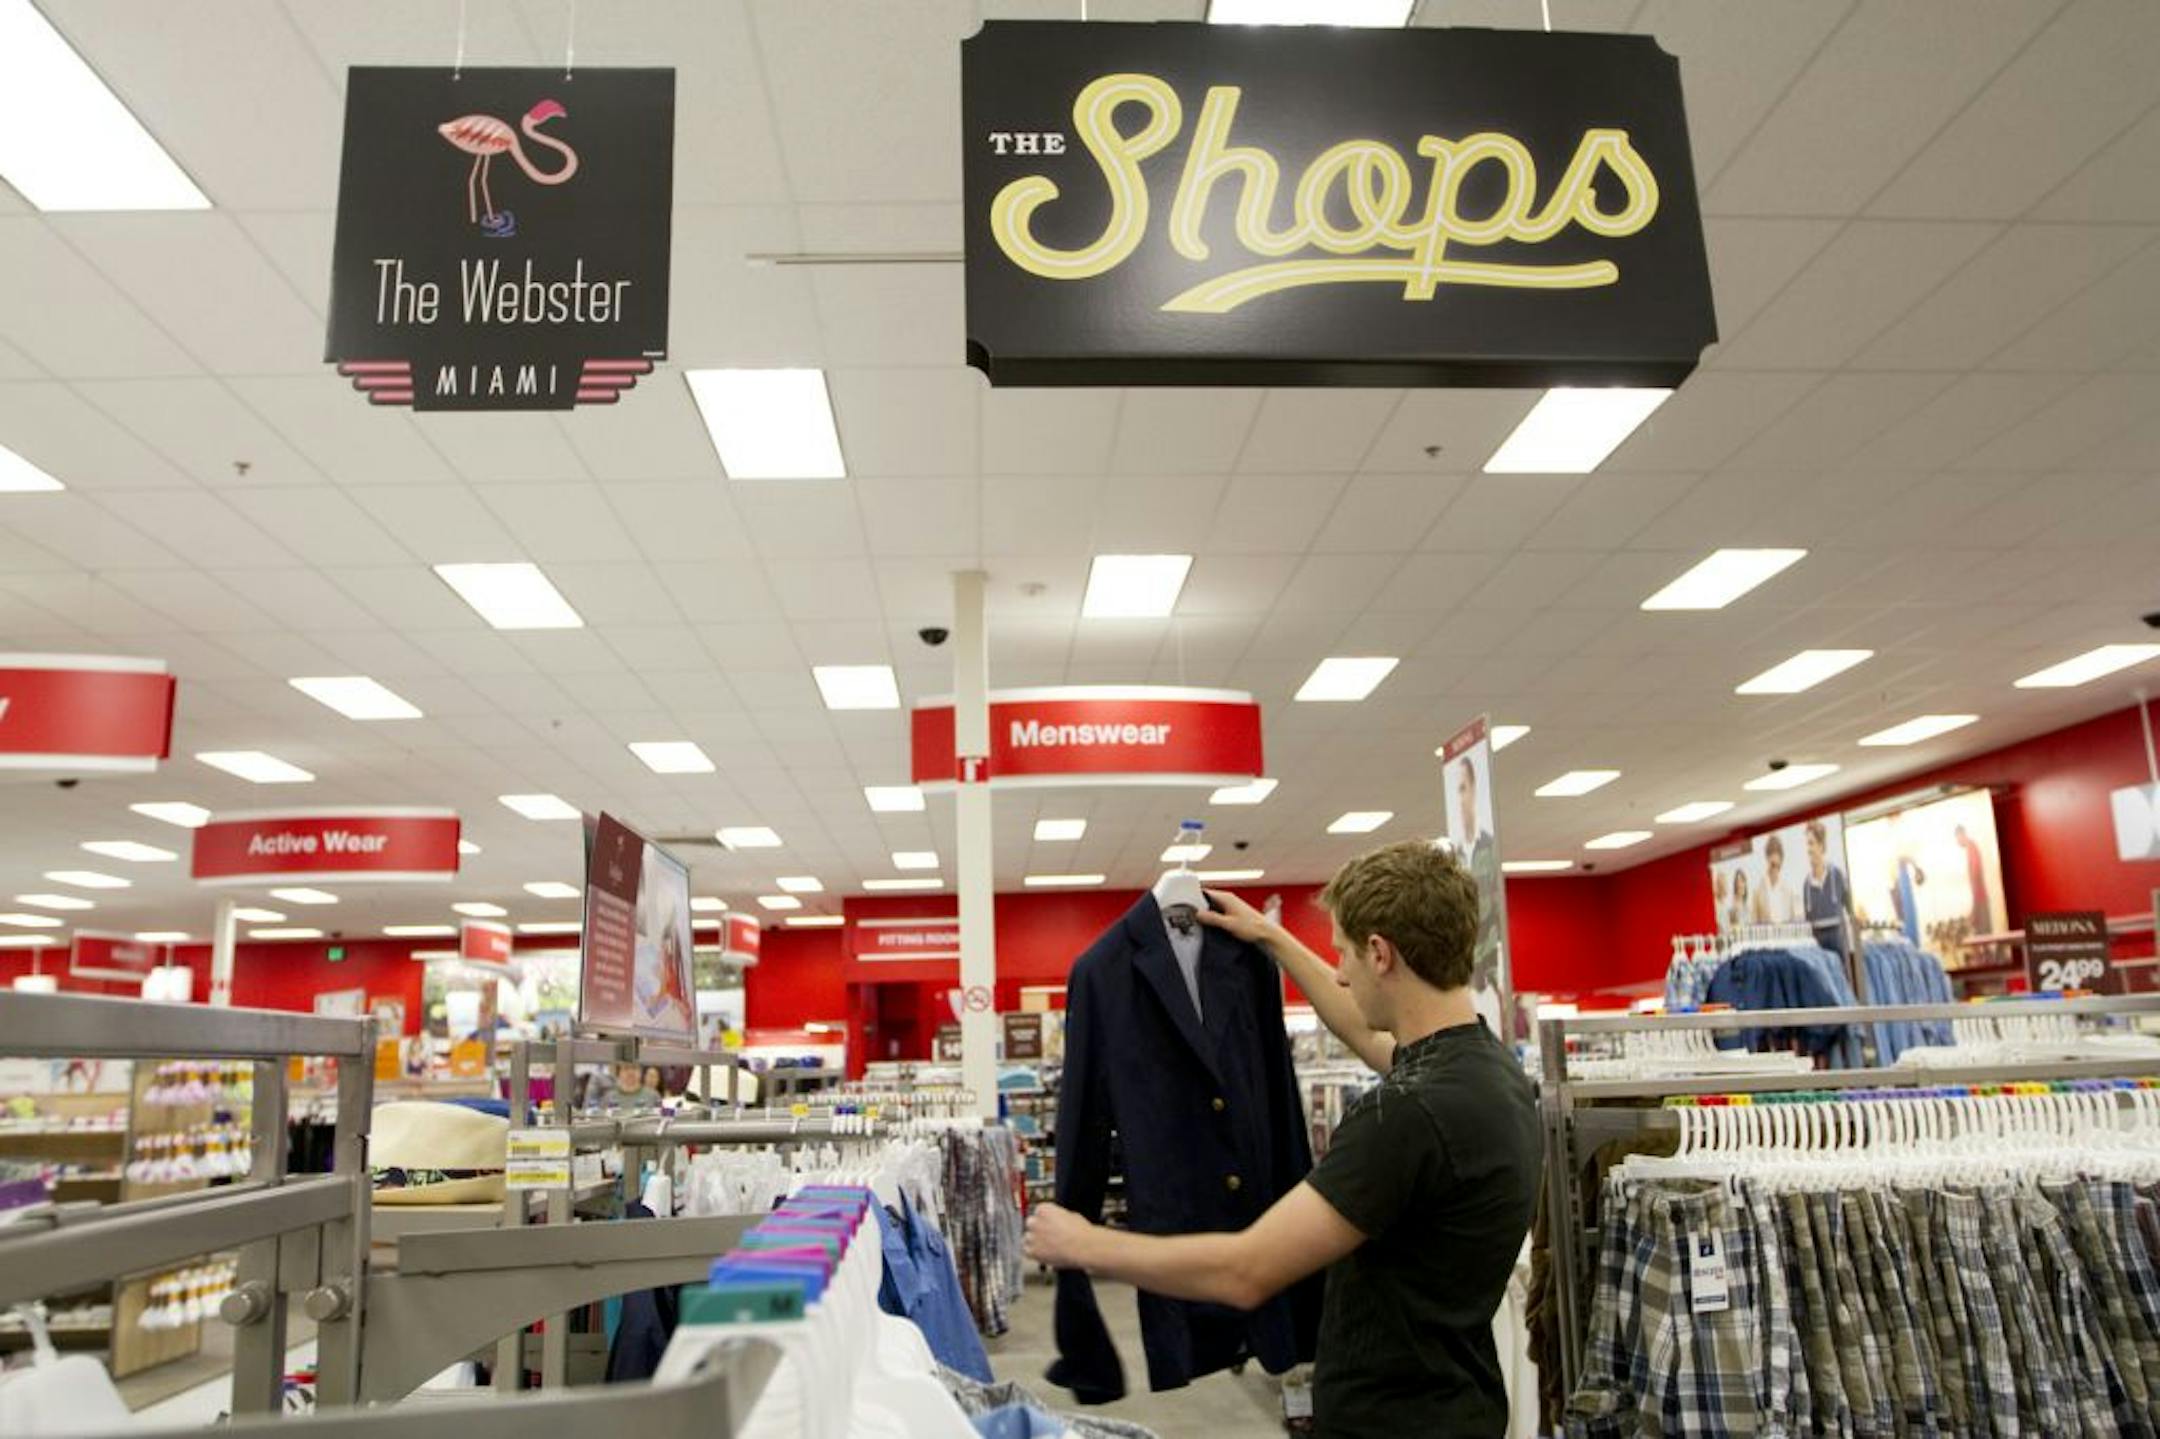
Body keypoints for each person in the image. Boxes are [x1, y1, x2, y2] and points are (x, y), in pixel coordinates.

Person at [1024, 841, 1543, 1437]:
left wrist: (1086, 1243)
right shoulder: (1487, 1069)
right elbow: (1360, 1028)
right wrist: (1271, 939)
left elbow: (1248, 1269)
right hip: (1464, 1398)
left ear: (1380, 953)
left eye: (1343, 954)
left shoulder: (1402, 1117)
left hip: (1392, 1421)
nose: (1340, 973)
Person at [1800, 820, 1853, 955]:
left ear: (1821, 846)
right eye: (1807, 844)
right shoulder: (1806, 884)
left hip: (1838, 940)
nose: (1808, 849)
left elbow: (1850, 910)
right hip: (1818, 945)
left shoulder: (1837, 875)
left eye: (1811, 843)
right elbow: (1808, 921)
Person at [1749, 833, 1800, 925]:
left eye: (1778, 866)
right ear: (1767, 858)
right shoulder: (1757, 891)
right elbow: (1754, 922)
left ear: (1781, 861)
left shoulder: (1788, 890)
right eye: (1773, 865)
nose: (1775, 870)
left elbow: (1794, 919)